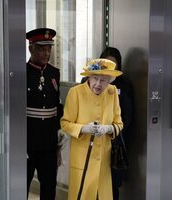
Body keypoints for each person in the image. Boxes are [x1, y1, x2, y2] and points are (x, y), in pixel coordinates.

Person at [60, 58, 123, 200]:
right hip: (83, 158)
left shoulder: (112, 92)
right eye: (95, 78)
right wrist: (84, 129)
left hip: (103, 160)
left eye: (103, 80)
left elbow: (119, 124)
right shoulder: (75, 92)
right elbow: (65, 123)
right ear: (89, 77)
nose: (98, 84)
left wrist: (108, 128)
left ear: (110, 81)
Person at [26, 28, 64, 200]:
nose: (47, 53)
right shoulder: (21, 73)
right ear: (31, 48)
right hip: (27, 142)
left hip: (48, 142)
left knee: (49, 187)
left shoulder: (53, 73)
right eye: (42, 48)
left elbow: (56, 107)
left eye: (49, 48)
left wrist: (59, 137)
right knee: (21, 184)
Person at [100, 47, 133, 200]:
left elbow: (127, 116)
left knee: (112, 186)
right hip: (92, 140)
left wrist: (113, 131)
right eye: (106, 63)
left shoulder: (123, 85)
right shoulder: (89, 81)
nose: (110, 68)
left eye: (114, 64)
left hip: (115, 143)